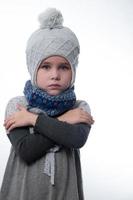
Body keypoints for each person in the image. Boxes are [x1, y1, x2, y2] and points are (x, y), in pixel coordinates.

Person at [0, 8, 94, 200]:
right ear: (33, 68)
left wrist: (32, 120)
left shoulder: (80, 108)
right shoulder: (18, 106)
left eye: (64, 67)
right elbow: (27, 150)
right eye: (45, 66)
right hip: (21, 193)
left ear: (73, 70)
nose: (55, 75)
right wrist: (64, 119)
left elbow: (76, 139)